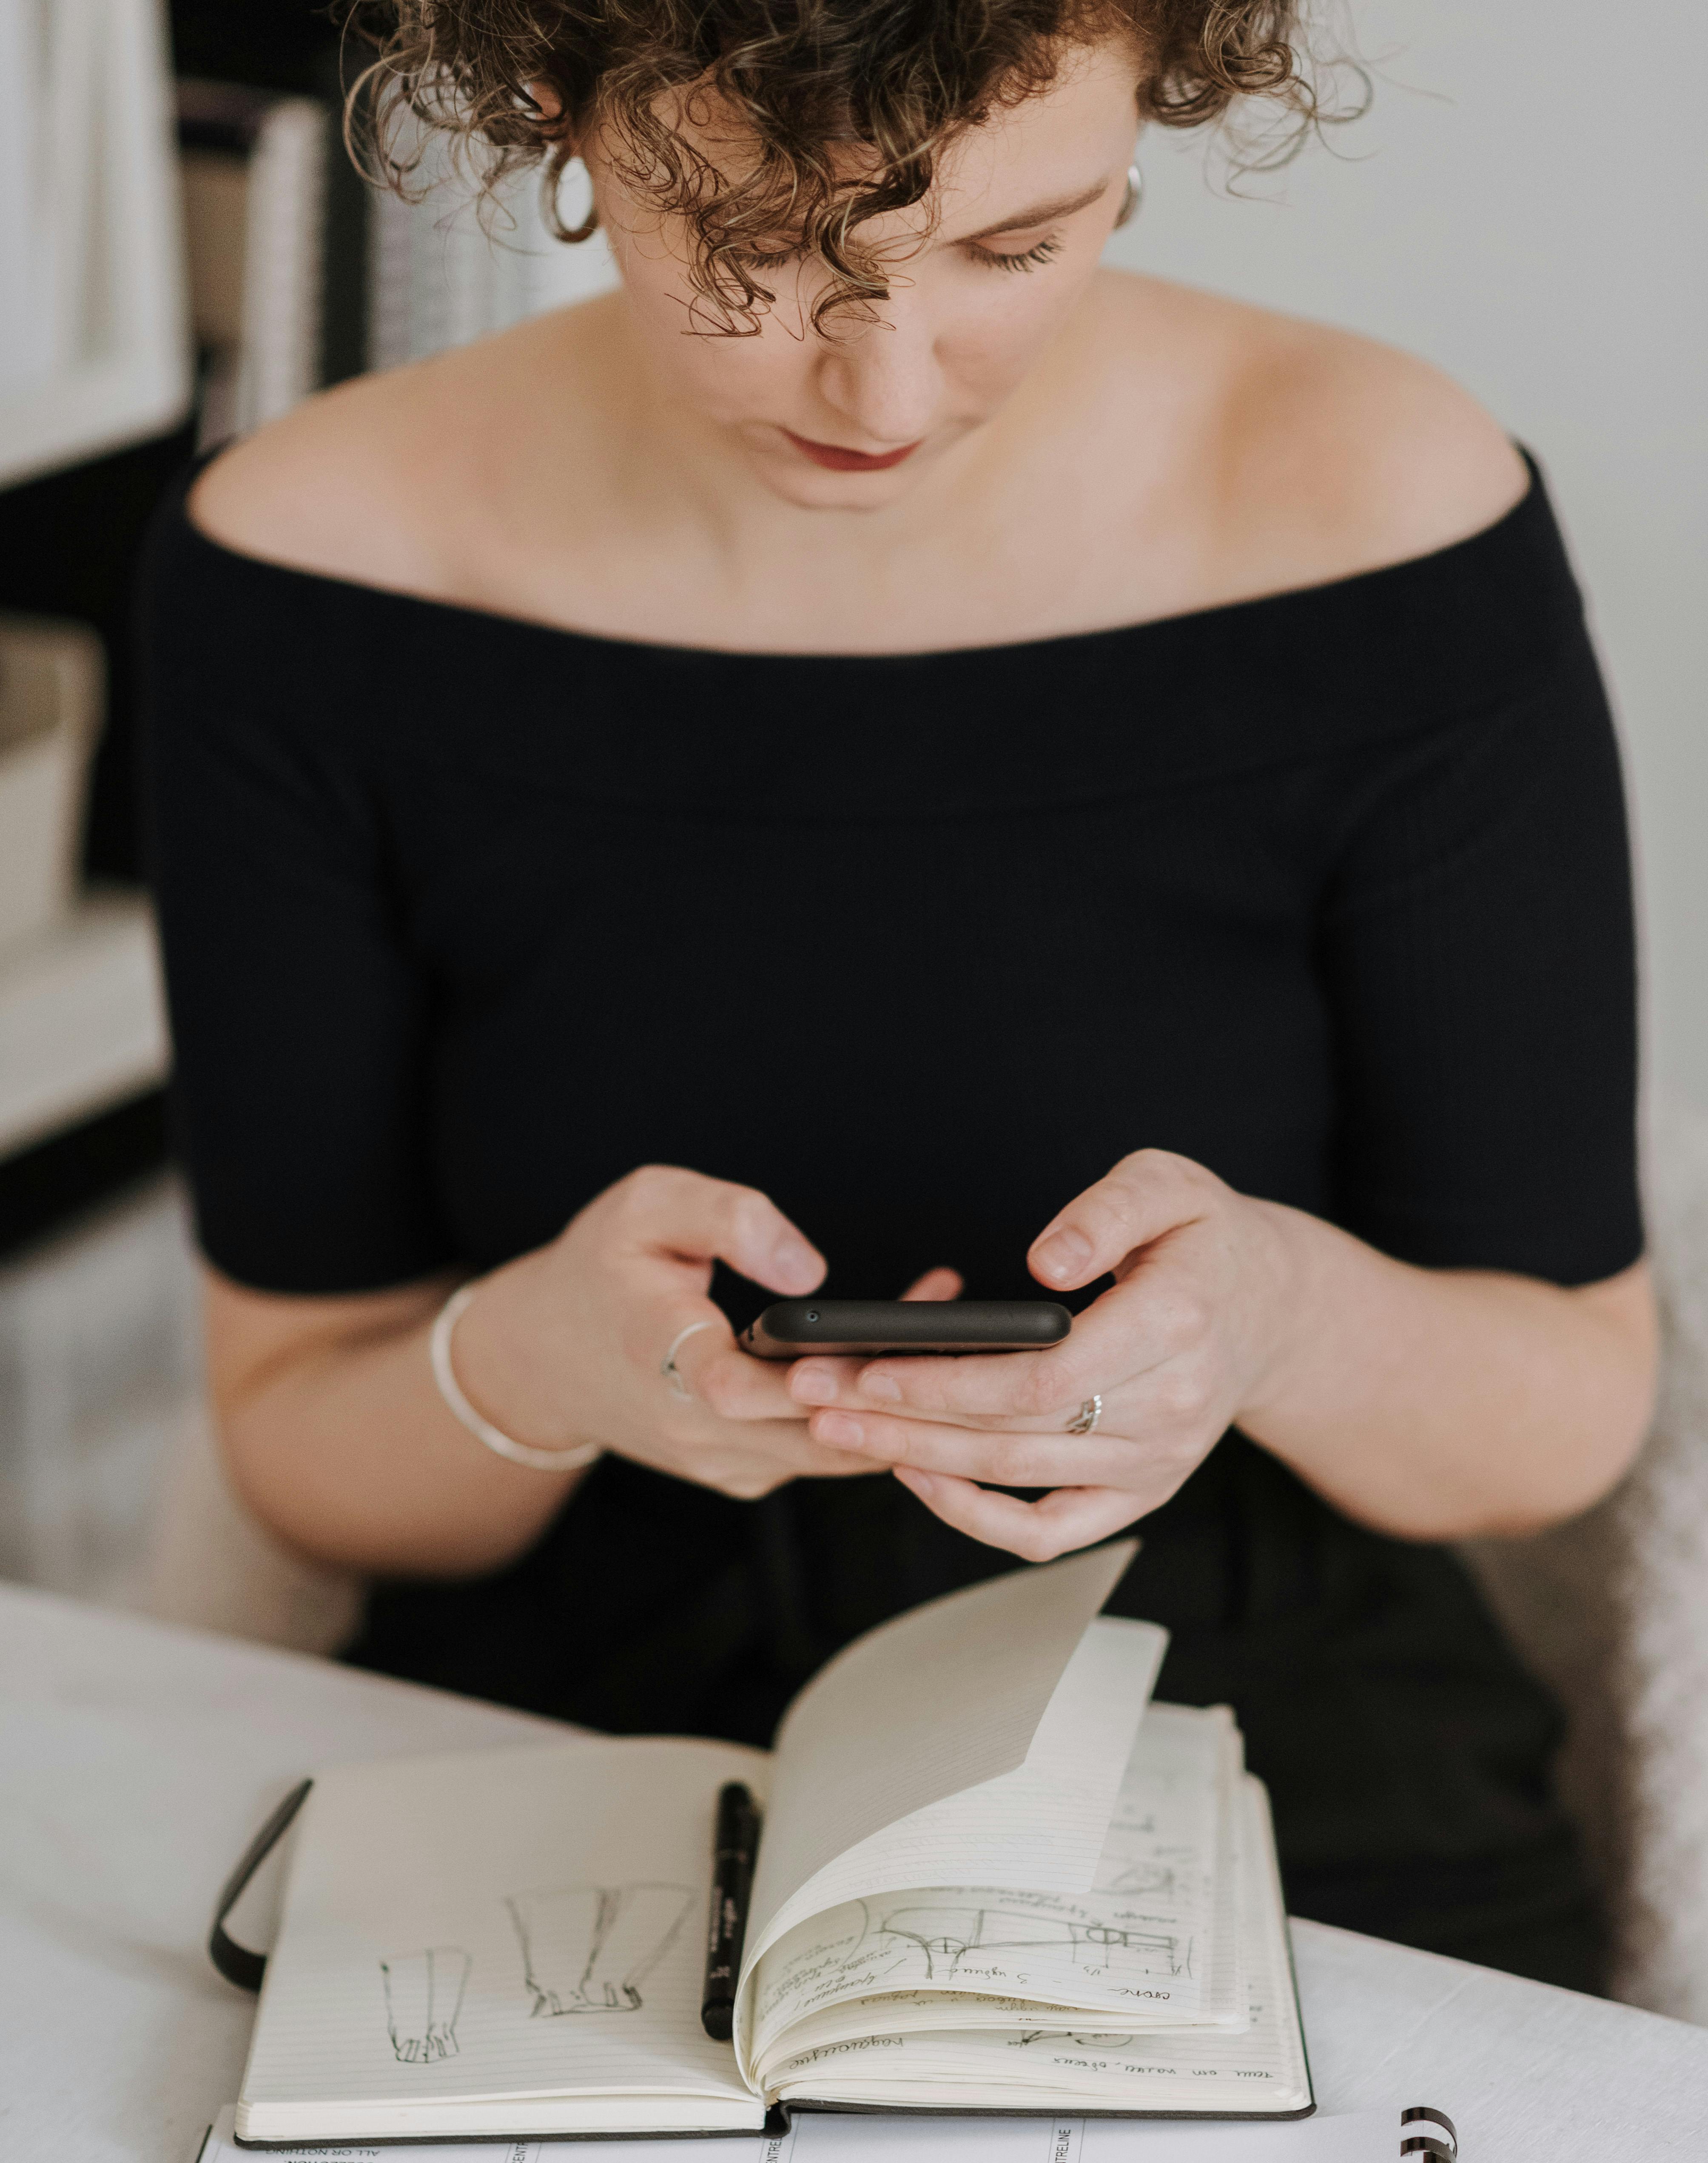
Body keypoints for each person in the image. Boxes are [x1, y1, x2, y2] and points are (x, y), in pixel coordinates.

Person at [142, 0, 1654, 1992]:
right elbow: (298, 1425)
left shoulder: (1380, 510)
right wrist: (530, 1366)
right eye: (752, 253)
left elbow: (1559, 1398)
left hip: (1271, 1747)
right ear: (555, 111)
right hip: (561, 1740)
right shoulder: (310, 569)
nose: (879, 381)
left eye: (1012, 251)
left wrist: (1273, 1320)